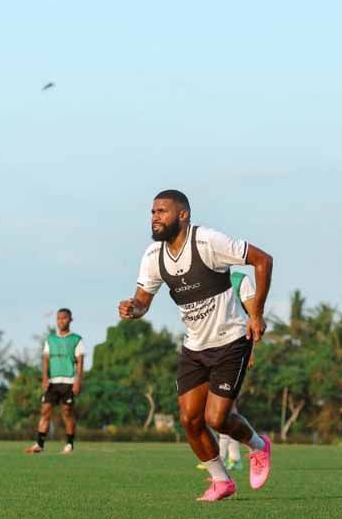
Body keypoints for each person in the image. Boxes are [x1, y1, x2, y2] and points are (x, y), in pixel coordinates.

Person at [118, 189, 274, 502]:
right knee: (190, 419)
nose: (155, 217)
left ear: (183, 215)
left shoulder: (207, 242)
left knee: (217, 419)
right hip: (195, 348)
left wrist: (255, 314)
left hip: (231, 342)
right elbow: (143, 301)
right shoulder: (153, 256)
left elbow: (263, 260)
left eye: (162, 211)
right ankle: (221, 482)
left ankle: (258, 446)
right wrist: (133, 309)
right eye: (152, 212)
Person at [195, 270, 255, 472]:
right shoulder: (204, 277)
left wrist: (250, 351)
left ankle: (234, 458)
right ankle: (224, 456)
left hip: (235, 351)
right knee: (219, 411)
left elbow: (253, 318)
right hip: (209, 351)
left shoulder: (240, 281)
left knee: (227, 410)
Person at [24, 308, 85, 454]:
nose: (61, 321)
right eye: (58, 318)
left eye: (64, 318)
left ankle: (69, 444)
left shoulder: (76, 339)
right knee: (45, 411)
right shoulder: (50, 340)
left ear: (70, 319)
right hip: (52, 382)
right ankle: (39, 444)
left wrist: (78, 381)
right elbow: (45, 360)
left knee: (66, 412)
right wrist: (45, 377)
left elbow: (80, 362)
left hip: (69, 381)